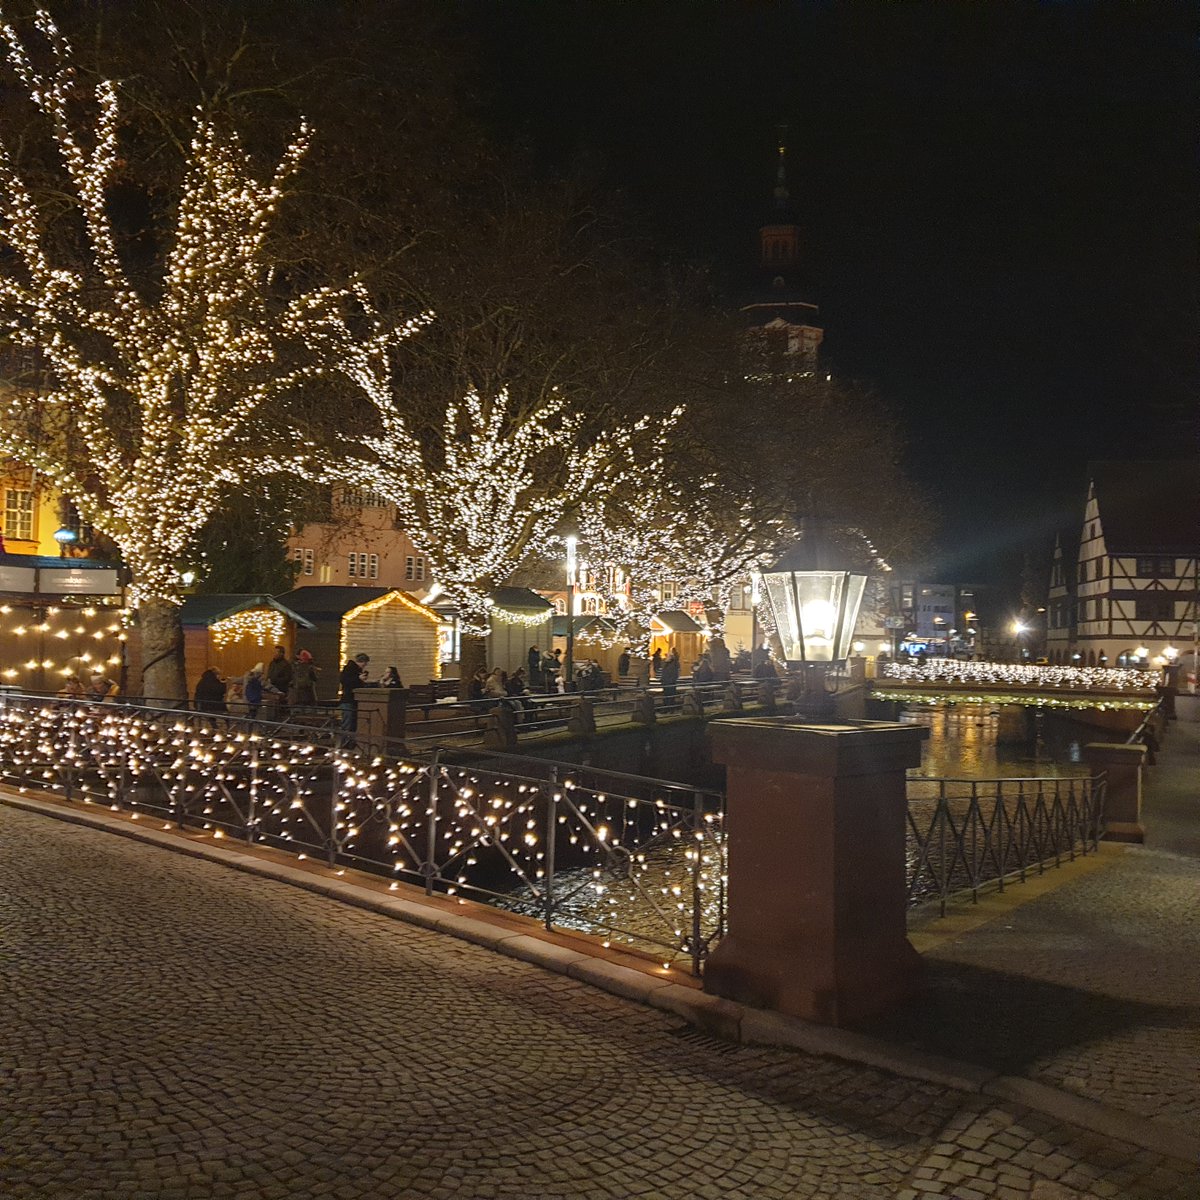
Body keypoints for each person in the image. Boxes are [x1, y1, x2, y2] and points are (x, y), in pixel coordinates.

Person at [339, 653, 369, 734]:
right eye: (365, 664)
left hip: (354, 700)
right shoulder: (349, 668)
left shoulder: (358, 670)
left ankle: (350, 742)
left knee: (352, 724)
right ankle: (345, 743)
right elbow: (344, 681)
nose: (364, 666)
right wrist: (358, 678)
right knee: (347, 723)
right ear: (362, 662)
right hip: (348, 699)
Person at [266, 644, 293, 720]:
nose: (274, 654)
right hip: (271, 688)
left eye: (276, 652)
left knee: (281, 708)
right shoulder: (272, 663)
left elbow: (288, 678)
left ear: (281, 653)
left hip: (281, 689)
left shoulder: (286, 665)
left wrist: (275, 680)